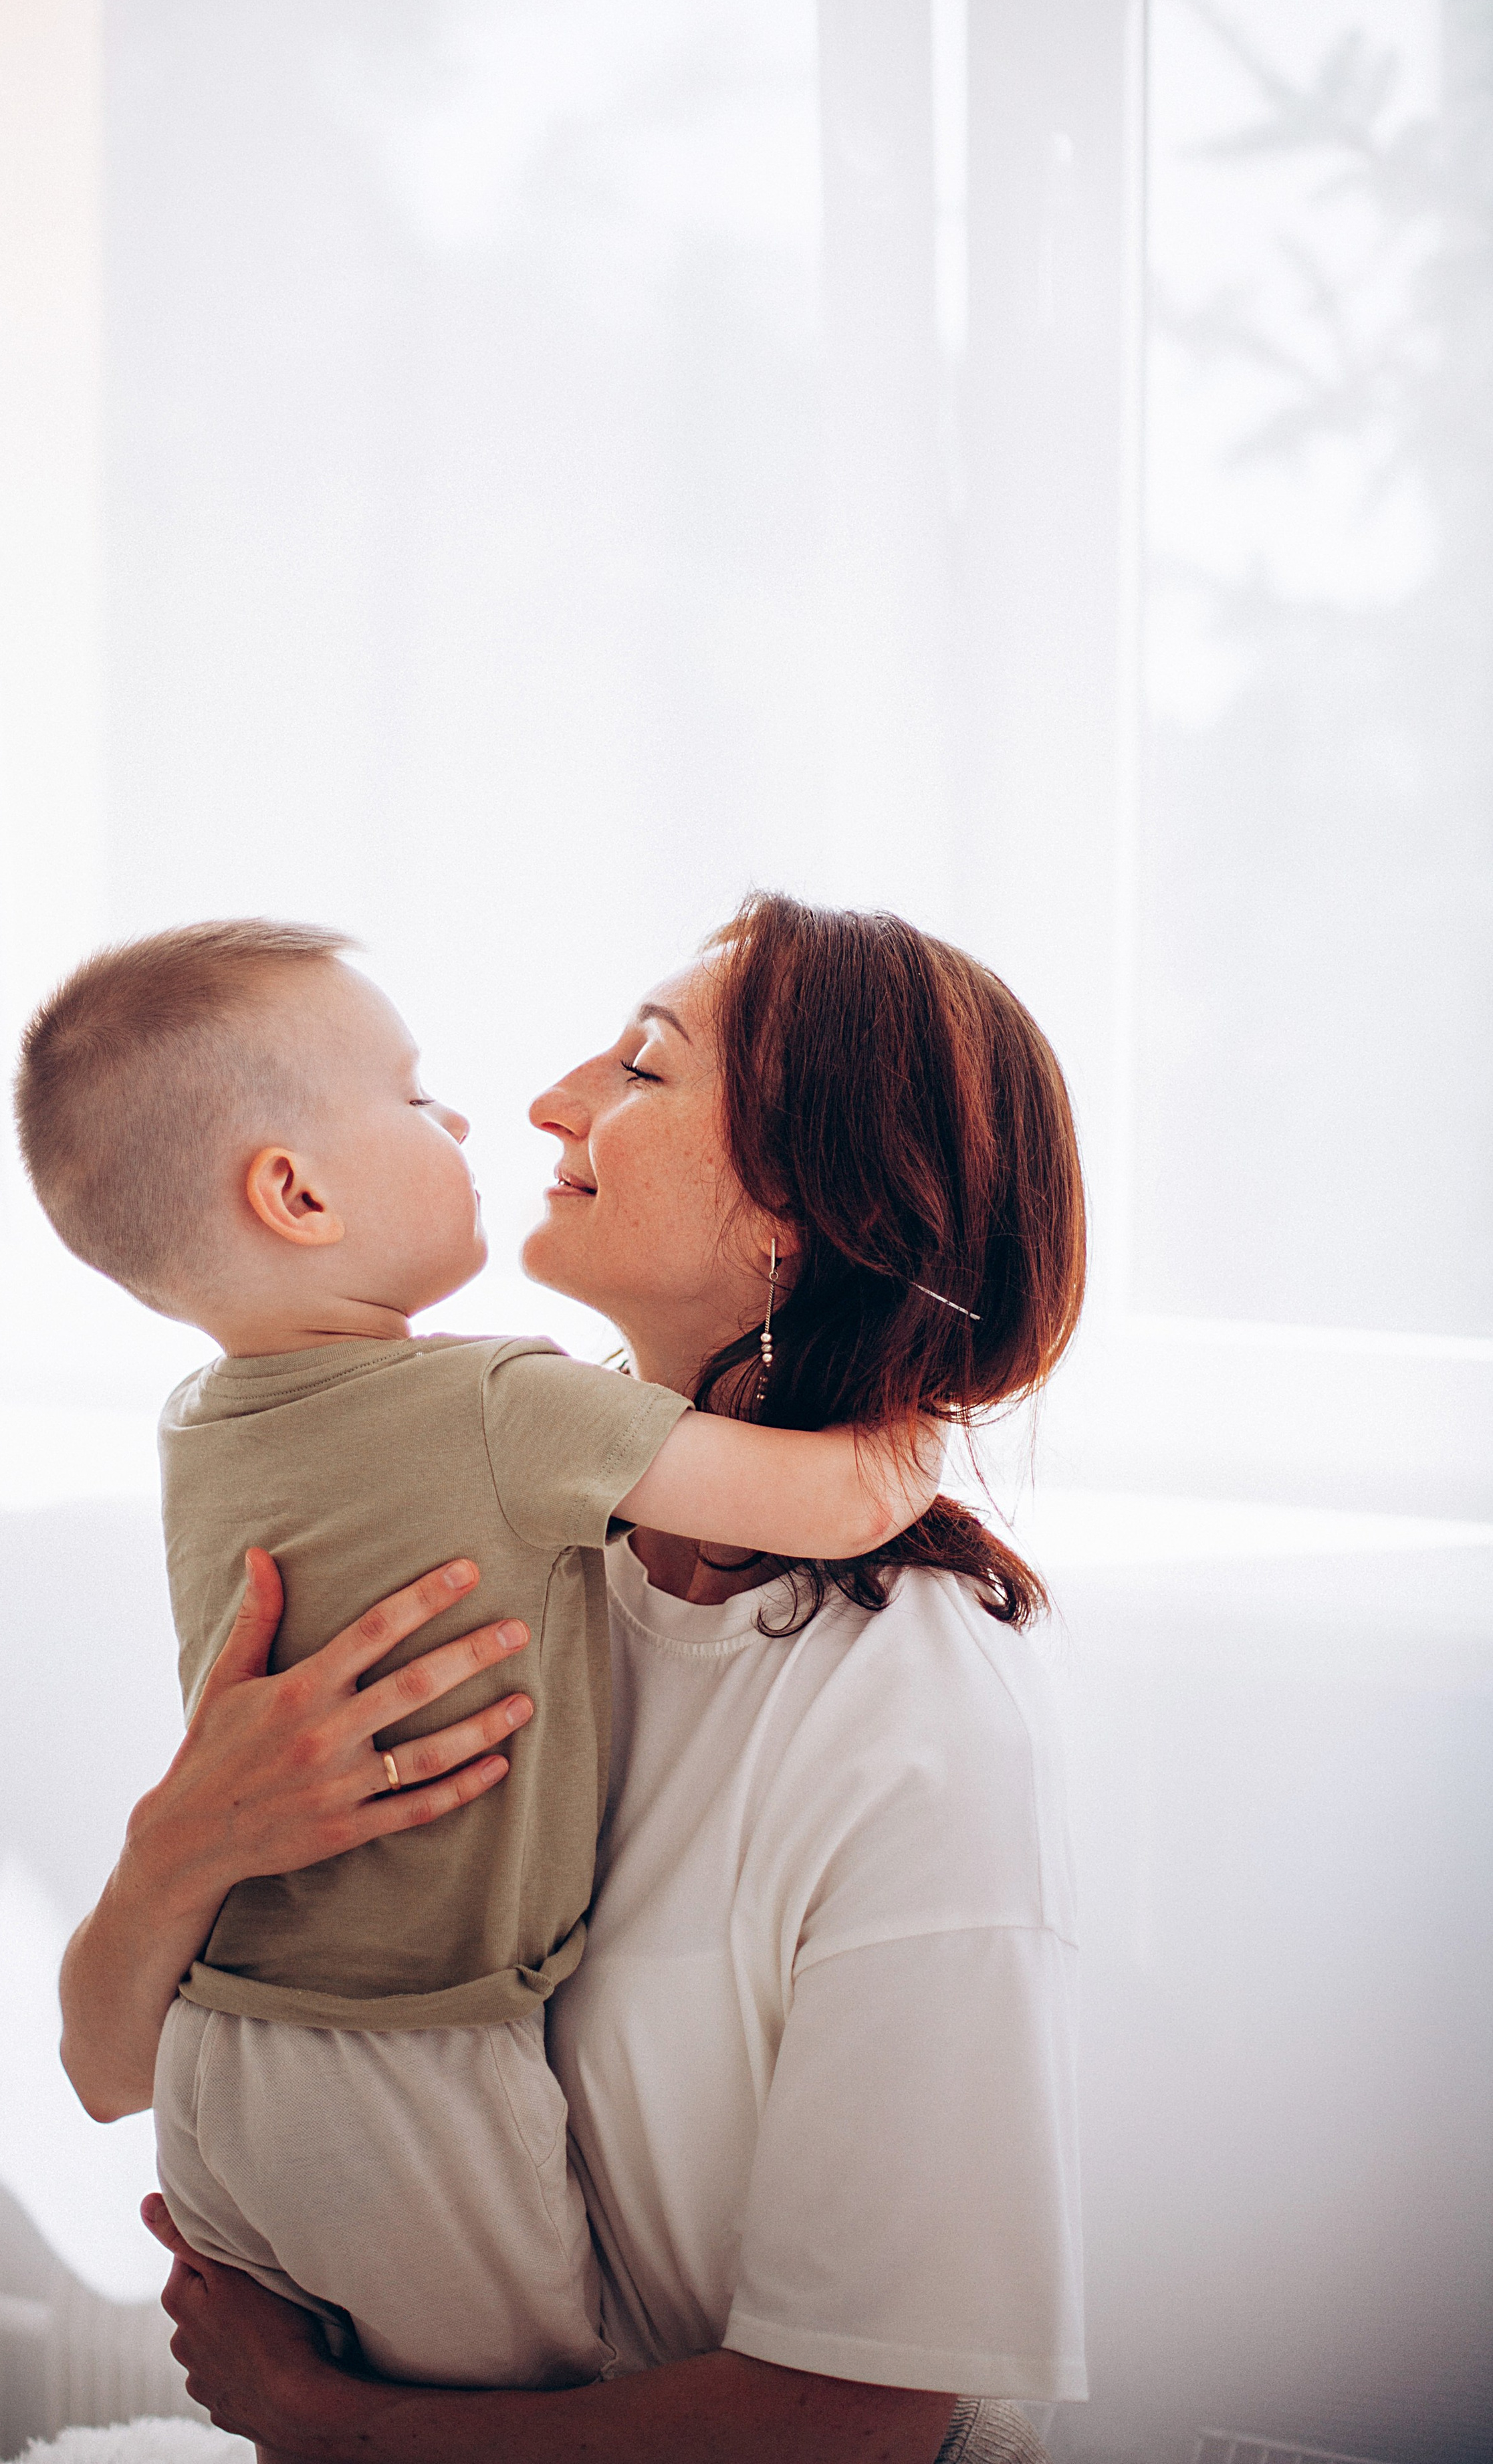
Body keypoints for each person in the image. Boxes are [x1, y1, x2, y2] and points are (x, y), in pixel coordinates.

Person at [61, 891, 1088, 2464]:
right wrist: (182, 1847)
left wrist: (324, 2423)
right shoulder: (466, 1532)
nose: (544, 1102)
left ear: (794, 1218)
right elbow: (113, 2072)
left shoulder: (912, 1718)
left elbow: (855, 2424)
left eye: (642, 1066)